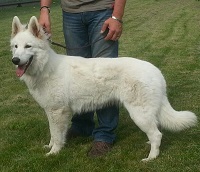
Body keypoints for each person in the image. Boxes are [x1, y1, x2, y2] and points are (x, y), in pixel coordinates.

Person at [39, 0, 126, 157]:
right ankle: (82, 125)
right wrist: (44, 8)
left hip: (102, 10)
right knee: (77, 75)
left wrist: (117, 17)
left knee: (105, 76)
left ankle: (105, 135)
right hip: (71, 13)